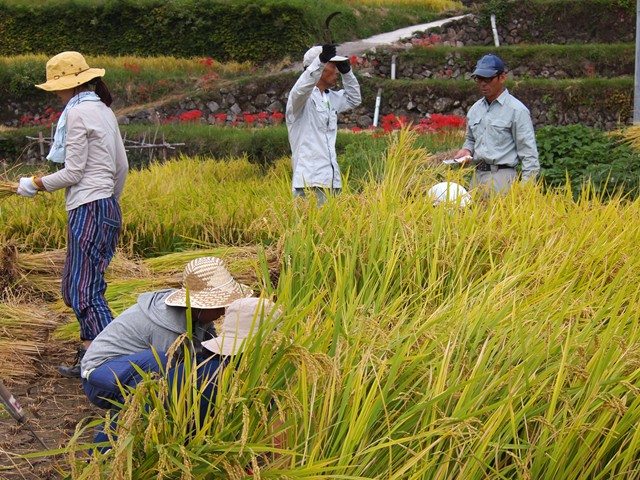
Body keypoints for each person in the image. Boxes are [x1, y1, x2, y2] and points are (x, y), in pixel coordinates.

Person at [16, 51, 129, 378]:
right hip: (105, 206)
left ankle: (114, 360)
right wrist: (110, 200)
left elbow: (74, 172)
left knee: (83, 290)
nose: (55, 94)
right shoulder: (104, 112)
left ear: (68, 86)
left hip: (89, 208)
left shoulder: (78, 114)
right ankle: (89, 352)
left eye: (57, 88)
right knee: (79, 286)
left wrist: (35, 184)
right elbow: (121, 167)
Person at [80, 256, 252, 410]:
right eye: (219, 306)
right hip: (99, 379)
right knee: (162, 363)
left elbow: (213, 352)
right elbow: (173, 379)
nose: (222, 311)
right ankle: (137, 412)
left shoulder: (199, 316)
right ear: (199, 304)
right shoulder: (164, 326)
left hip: (133, 367)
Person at [454, 53, 540, 196]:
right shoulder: (475, 109)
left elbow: (529, 154)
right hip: (477, 178)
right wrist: (466, 151)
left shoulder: (517, 110)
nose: (483, 83)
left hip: (502, 178)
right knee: (474, 217)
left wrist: (524, 191)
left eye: (488, 79)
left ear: (502, 77)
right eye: (479, 78)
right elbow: (470, 139)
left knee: (501, 218)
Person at [286, 44, 362, 206]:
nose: (336, 71)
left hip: (331, 181)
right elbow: (301, 89)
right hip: (309, 182)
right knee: (308, 229)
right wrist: (320, 61)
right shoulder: (299, 100)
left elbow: (354, 99)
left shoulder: (330, 98)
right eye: (333, 66)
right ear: (318, 68)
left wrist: (347, 73)